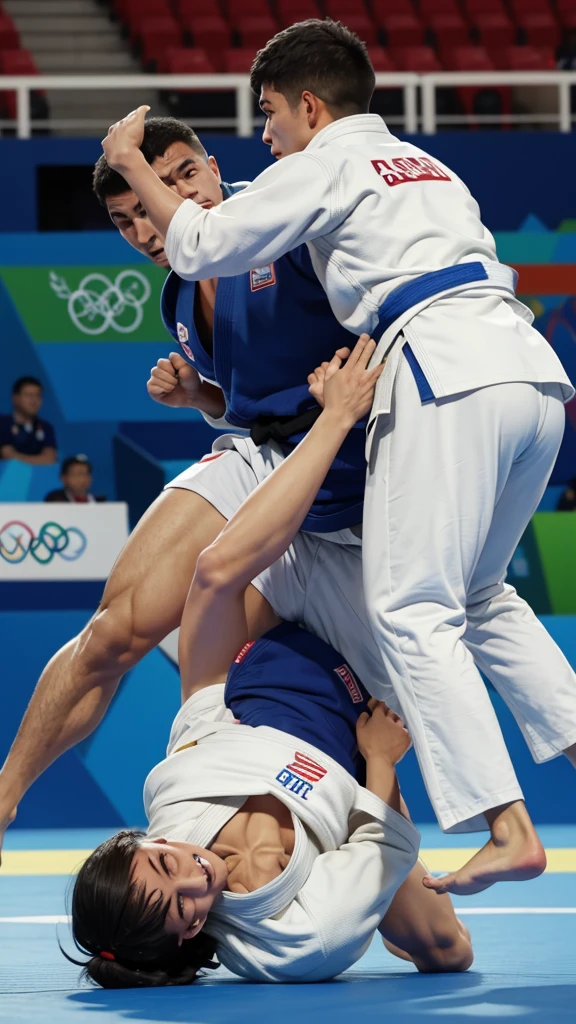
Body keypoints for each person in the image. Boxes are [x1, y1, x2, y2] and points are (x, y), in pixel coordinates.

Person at [101, 19, 576, 895]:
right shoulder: (426, 165)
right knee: (481, 597)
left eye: (273, 114)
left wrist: (130, 161)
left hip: (443, 371)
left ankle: (505, 825)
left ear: (310, 106)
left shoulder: (320, 162)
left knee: (409, 606)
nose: (268, 135)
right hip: (531, 374)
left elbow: (202, 242)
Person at [67, 338, 472, 987]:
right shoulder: (299, 942)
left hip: (269, 679)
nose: (194, 878)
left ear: (147, 840)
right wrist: (380, 759)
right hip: (362, 725)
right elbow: (381, 843)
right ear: (187, 939)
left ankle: (328, 418)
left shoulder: (169, 800)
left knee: (215, 570)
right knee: (449, 952)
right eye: (184, 912)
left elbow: (207, 707)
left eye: (166, 863)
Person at [0, 376, 57, 465]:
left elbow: (50, 458)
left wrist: (17, 457)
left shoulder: (46, 427)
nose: (34, 401)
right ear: (15, 398)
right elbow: (7, 455)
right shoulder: (3, 423)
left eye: (38, 395)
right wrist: (38, 459)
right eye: (28, 395)